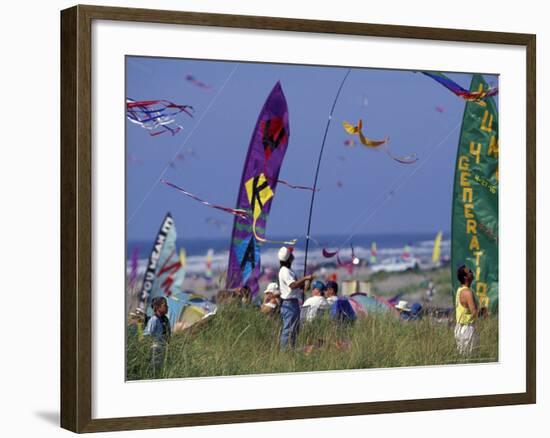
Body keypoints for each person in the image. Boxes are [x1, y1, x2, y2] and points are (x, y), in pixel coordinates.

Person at [278, 246, 314, 351]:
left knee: (294, 329)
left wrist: (308, 281)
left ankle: (290, 350)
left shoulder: (289, 271)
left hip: (293, 303)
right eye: (291, 254)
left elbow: (304, 289)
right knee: (288, 329)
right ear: (289, 258)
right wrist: (305, 278)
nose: (293, 256)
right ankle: (285, 352)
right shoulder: (285, 271)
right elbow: (293, 285)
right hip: (289, 304)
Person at [143, 296, 171, 376]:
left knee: (161, 371)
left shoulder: (165, 320)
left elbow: (168, 335)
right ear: (158, 307)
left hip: (164, 348)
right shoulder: (154, 320)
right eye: (165, 305)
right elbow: (148, 335)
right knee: (154, 370)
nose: (167, 307)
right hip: (155, 349)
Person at [454, 265, 479, 355]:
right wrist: (484, 311)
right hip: (467, 329)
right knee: (470, 358)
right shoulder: (467, 292)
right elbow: (474, 313)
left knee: (464, 357)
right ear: (465, 277)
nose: (472, 273)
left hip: (459, 327)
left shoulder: (460, 289)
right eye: (470, 272)